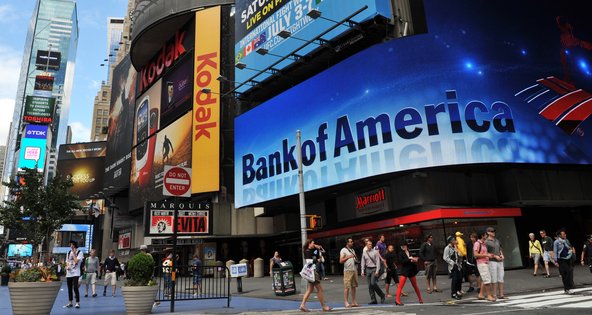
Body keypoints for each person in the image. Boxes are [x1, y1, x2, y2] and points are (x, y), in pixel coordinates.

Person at [299, 239, 332, 312]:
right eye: (313, 243)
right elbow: (308, 261)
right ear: (309, 244)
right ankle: (324, 306)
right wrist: (317, 260)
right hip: (312, 272)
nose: (314, 244)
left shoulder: (314, 249)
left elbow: (322, 252)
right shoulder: (307, 251)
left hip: (313, 271)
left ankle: (302, 305)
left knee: (310, 289)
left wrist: (319, 248)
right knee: (320, 289)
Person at [395, 242, 423, 306]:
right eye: (402, 246)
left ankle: (420, 299)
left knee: (415, 286)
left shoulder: (409, 252)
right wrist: (410, 259)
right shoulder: (400, 253)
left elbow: (410, 260)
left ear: (406, 246)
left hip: (411, 270)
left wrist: (414, 260)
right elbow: (401, 262)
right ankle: (397, 300)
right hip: (405, 271)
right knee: (400, 286)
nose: (403, 247)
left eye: (404, 246)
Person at [361, 239, 386, 305]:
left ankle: (382, 295)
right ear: (366, 245)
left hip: (374, 269)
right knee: (369, 286)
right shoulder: (364, 252)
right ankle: (373, 300)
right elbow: (363, 262)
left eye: (371, 244)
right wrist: (362, 271)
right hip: (367, 269)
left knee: (373, 283)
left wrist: (377, 271)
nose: (370, 245)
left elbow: (378, 262)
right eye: (369, 244)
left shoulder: (375, 252)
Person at [553, 229, 576, 294]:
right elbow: (555, 251)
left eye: (564, 234)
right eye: (563, 234)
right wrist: (556, 261)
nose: (564, 235)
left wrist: (571, 251)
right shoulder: (556, 242)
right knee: (566, 273)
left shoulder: (566, 240)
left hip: (568, 258)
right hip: (561, 259)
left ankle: (566, 289)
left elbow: (570, 247)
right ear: (560, 235)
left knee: (567, 274)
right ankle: (568, 288)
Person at [474, 230, 495, 302]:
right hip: (481, 263)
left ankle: (481, 294)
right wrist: (486, 255)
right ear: (482, 236)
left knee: (485, 279)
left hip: (485, 262)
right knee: (487, 280)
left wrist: (489, 255)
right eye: (486, 235)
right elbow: (475, 254)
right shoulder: (477, 243)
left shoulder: (483, 243)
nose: (487, 236)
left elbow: (484, 252)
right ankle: (489, 296)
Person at [485, 227, 505, 299]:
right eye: (492, 231)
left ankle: (501, 294)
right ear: (488, 232)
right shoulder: (486, 241)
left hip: (500, 261)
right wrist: (495, 256)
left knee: (501, 277)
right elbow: (485, 252)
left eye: (494, 231)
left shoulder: (497, 240)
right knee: (494, 278)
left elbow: (500, 248)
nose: (493, 232)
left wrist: (502, 254)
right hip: (492, 261)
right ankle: (494, 295)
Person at [339, 237, 359, 308]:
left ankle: (353, 301)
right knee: (347, 286)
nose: (352, 243)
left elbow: (354, 259)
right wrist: (348, 257)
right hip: (347, 270)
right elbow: (341, 261)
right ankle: (346, 302)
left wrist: (354, 258)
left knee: (354, 286)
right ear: (347, 243)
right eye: (350, 242)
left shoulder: (352, 250)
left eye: (352, 241)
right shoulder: (343, 250)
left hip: (354, 269)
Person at [65, 240, 84, 309]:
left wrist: (73, 254)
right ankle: (70, 302)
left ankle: (77, 302)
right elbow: (67, 261)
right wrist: (67, 266)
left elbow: (76, 260)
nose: (71, 246)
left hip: (76, 272)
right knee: (69, 288)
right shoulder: (68, 252)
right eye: (70, 245)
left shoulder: (80, 252)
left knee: (75, 287)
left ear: (75, 245)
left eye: (72, 245)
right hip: (69, 272)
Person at [444, 236, 463, 300]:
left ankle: (458, 291)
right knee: (455, 279)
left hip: (458, 265)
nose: (455, 241)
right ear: (450, 241)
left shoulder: (456, 247)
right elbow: (445, 257)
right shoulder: (447, 248)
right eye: (453, 240)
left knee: (459, 278)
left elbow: (460, 255)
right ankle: (453, 293)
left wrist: (457, 249)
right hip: (453, 266)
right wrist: (452, 263)